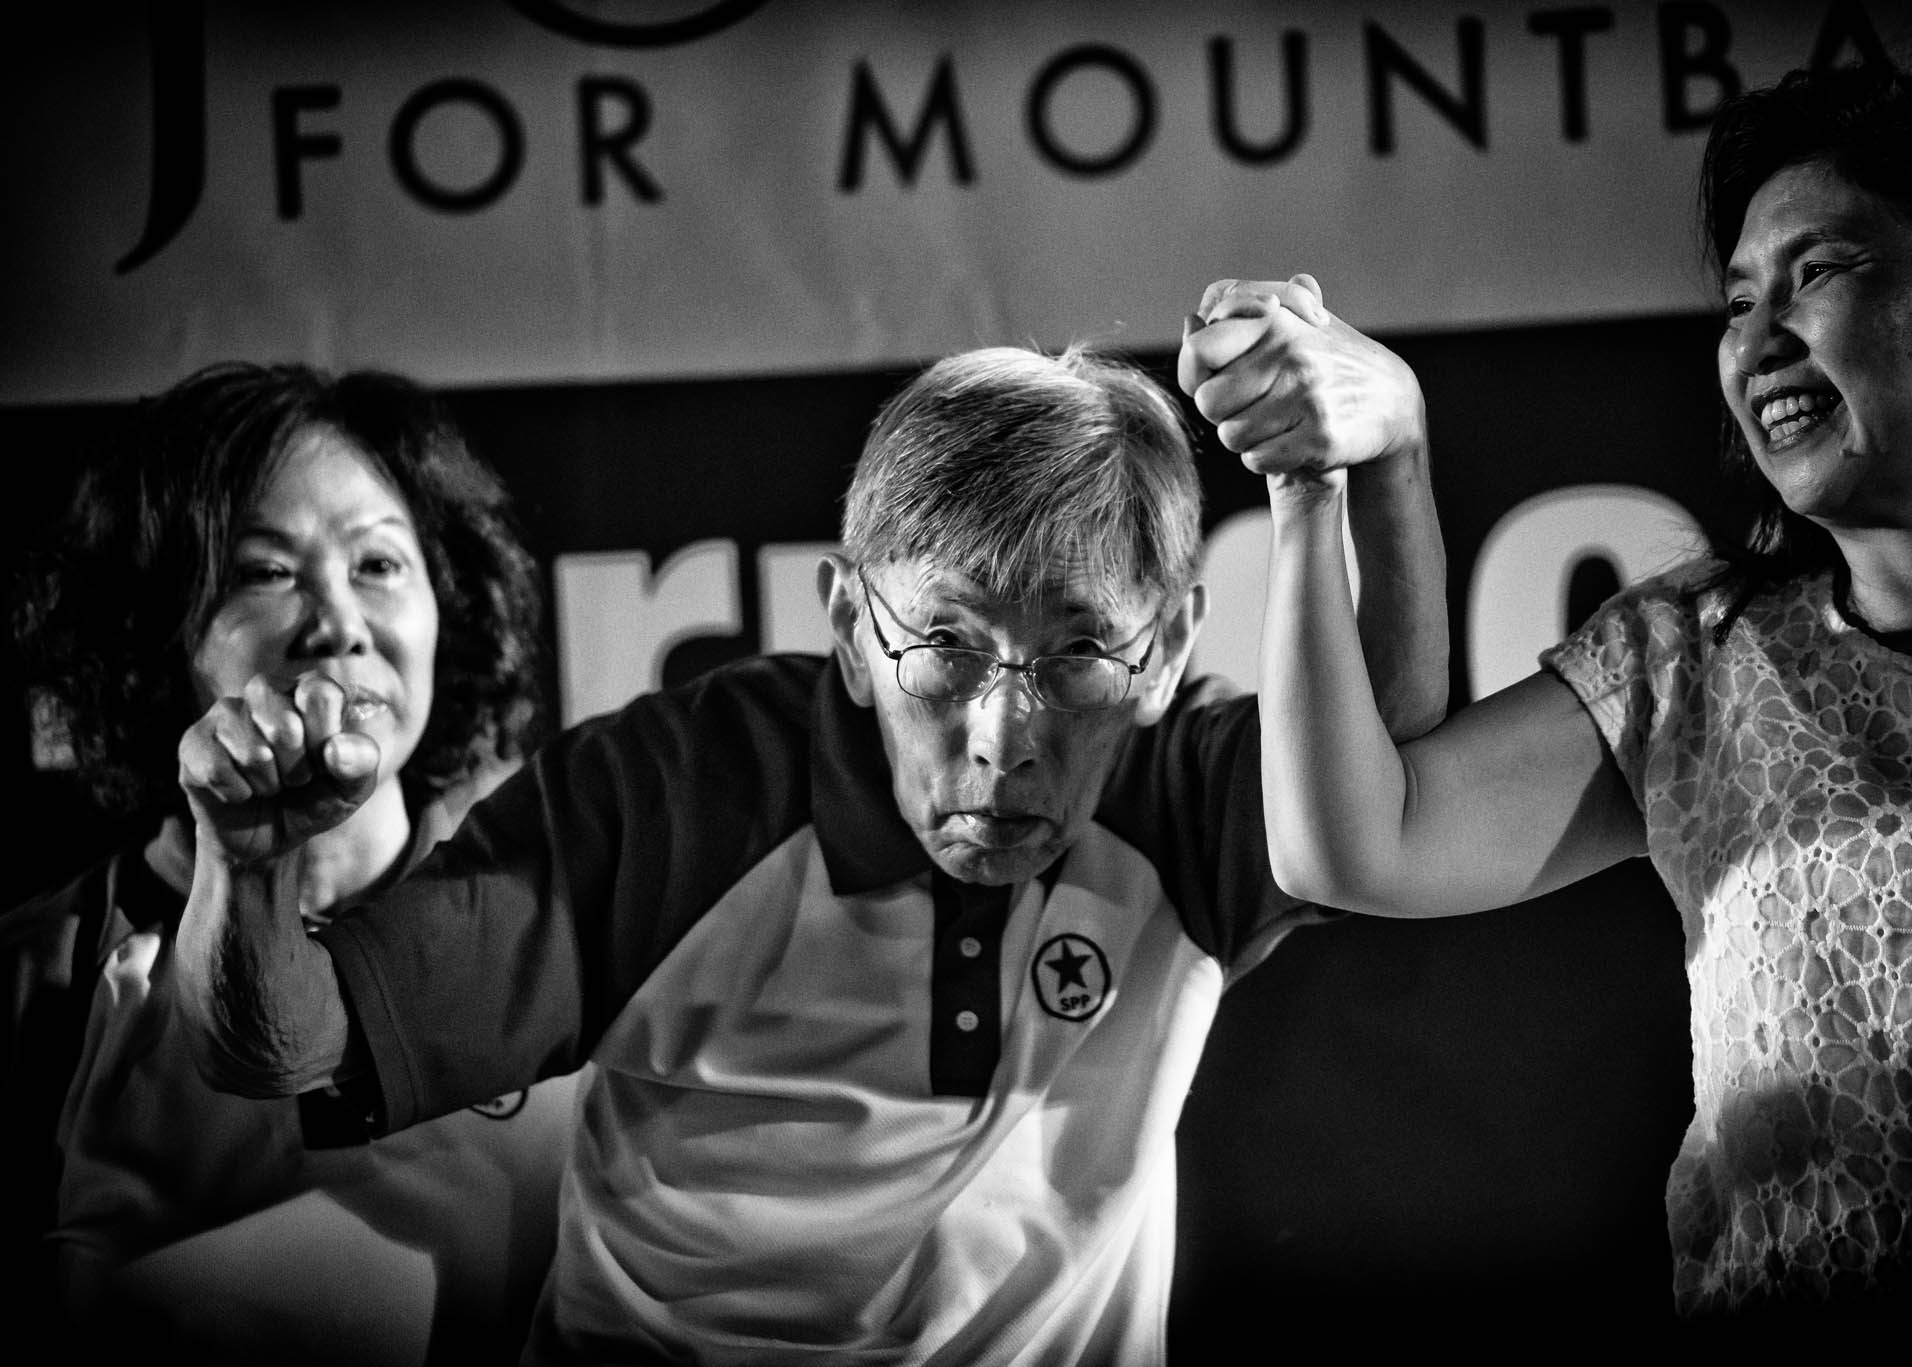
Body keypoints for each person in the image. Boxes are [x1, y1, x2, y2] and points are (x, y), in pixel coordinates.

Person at [168, 312, 1446, 1362]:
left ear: (1164, 650)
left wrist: (1386, 449)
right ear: (846, 622)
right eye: (943, 648)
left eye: (1075, 653)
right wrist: (247, 862)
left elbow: (1385, 781)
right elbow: (286, 1043)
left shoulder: (1177, 786)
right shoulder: (672, 795)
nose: (1005, 737)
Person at [1234, 62, 1912, 1326]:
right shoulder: (1698, 661)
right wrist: (1339, 474)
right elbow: (1355, 838)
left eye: (1820, 271)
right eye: (1736, 298)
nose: (1757, 335)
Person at [1, 362, 570, 1364]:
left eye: (380, 564)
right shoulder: (43, 979)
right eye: (266, 571)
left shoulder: (566, 944)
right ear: (154, 632)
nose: (338, 622)